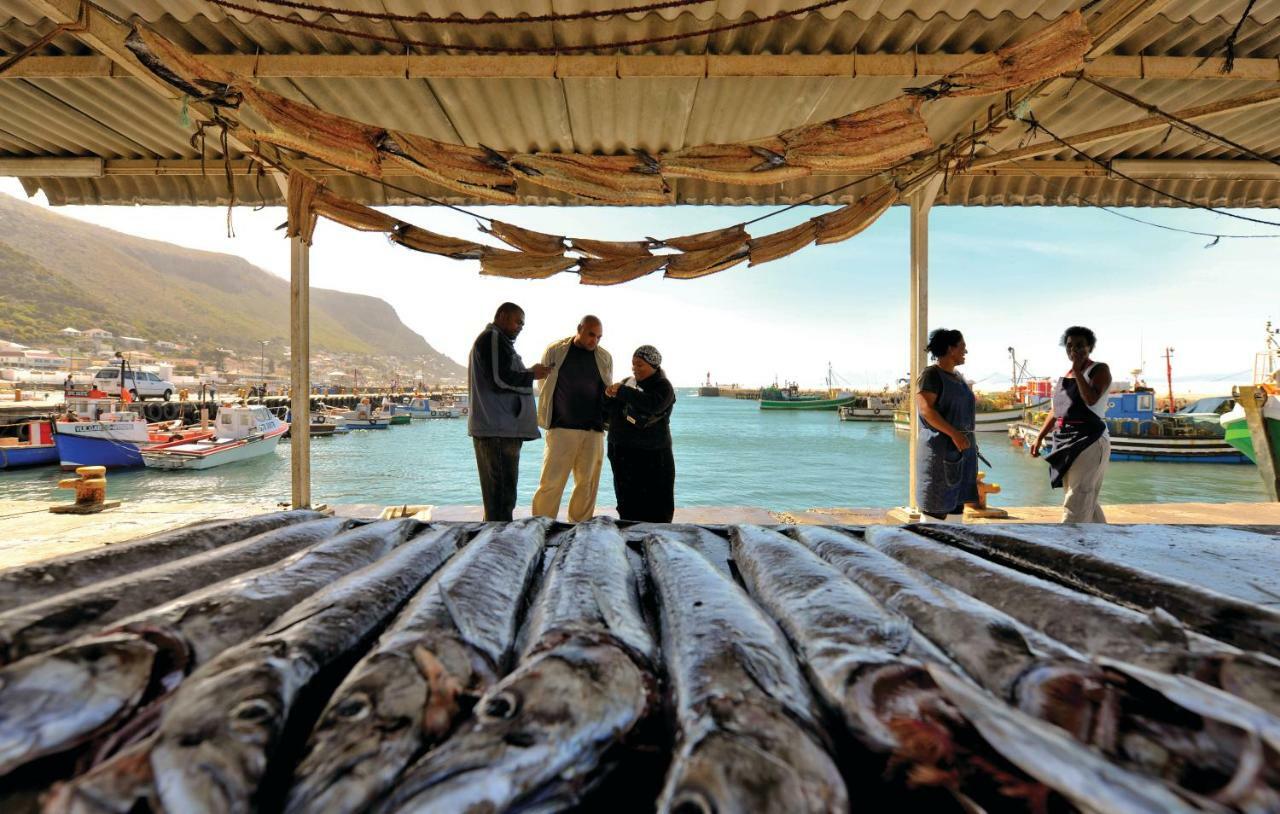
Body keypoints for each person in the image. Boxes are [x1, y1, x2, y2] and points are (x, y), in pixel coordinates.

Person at [468, 303, 552, 521]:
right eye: (518, 321)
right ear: (502, 316)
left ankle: (494, 541)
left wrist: (527, 373)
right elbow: (498, 378)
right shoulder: (492, 339)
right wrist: (531, 375)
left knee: (502, 497)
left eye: (522, 324)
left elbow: (502, 375)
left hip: (502, 430)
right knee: (501, 498)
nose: (520, 327)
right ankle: (498, 546)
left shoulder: (499, 342)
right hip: (497, 431)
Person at [531, 316, 612, 522]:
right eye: (591, 334)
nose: (594, 341)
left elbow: (606, 388)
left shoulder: (605, 357)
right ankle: (541, 526)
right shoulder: (555, 350)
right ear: (579, 329)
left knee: (587, 485)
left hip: (593, 430)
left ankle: (579, 529)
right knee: (551, 483)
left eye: (599, 337)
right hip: (561, 428)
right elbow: (544, 387)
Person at [1030, 326, 1113, 523]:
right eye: (1069, 346)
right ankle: (1102, 543)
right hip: (1066, 440)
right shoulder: (1065, 374)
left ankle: (1069, 548)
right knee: (1082, 499)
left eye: (1080, 346)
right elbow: (1056, 409)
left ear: (1090, 347)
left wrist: (1077, 370)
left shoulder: (1099, 370)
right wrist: (1040, 436)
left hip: (1090, 441)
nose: (1073, 350)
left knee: (1076, 501)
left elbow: (1091, 399)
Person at [604, 345, 676, 522]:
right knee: (627, 501)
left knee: (659, 502)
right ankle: (629, 534)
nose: (635, 368)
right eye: (633, 364)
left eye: (640, 365)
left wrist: (622, 391)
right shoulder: (627, 383)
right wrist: (608, 396)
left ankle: (659, 538)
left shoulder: (663, 386)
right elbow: (610, 412)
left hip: (654, 454)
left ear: (654, 365)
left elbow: (653, 405)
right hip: (622, 451)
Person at [915, 328, 978, 520]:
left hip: (962, 451)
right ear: (950, 349)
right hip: (940, 450)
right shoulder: (931, 375)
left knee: (956, 511)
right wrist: (955, 434)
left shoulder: (958, 377)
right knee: (936, 511)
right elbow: (927, 410)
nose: (965, 352)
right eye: (962, 347)